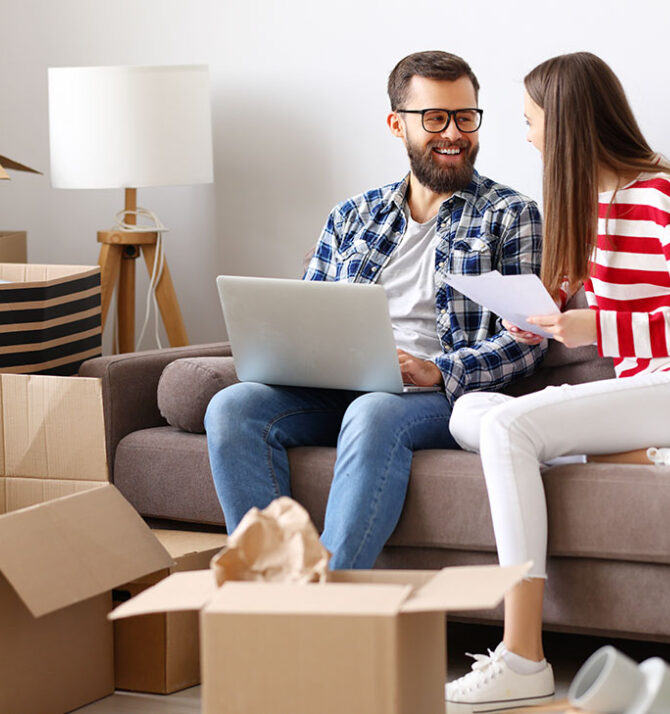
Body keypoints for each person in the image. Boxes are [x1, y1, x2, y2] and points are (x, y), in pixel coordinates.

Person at [444, 52, 670, 713]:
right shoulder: (592, 207)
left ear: (565, 124)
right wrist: (541, 322)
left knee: (507, 429)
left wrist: (603, 328)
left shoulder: (664, 196)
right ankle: (662, 460)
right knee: (469, 413)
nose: (525, 137)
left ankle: (522, 654)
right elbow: (585, 316)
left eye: (530, 122)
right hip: (657, 408)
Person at [205, 51, 545, 571]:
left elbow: (526, 340)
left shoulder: (511, 214)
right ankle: (268, 592)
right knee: (232, 407)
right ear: (397, 124)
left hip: (429, 396)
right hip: (337, 388)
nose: (453, 133)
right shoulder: (353, 215)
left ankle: (333, 599)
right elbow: (307, 312)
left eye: (465, 117)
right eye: (435, 118)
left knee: (373, 410)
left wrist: (439, 369)